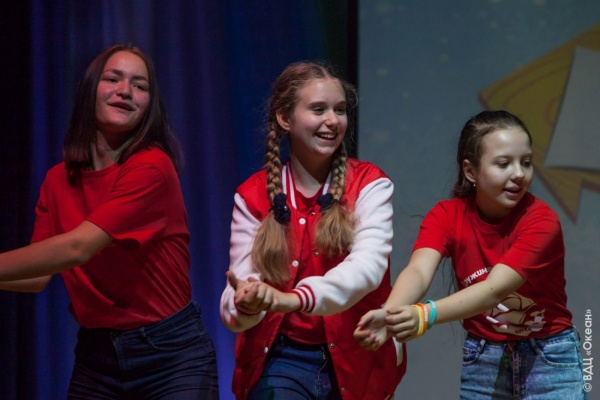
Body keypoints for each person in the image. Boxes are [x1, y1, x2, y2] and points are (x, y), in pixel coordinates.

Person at [0, 44, 219, 399]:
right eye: (113, 79)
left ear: (149, 105)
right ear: (90, 90)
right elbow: (37, 277)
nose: (125, 91)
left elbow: (78, 247)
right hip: (97, 357)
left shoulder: (151, 166)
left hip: (169, 355)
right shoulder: (57, 180)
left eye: (139, 85)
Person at [355, 110, 586, 399]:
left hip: (549, 357)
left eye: (526, 162)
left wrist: (425, 314)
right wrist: (390, 314)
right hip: (483, 358)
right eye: (503, 163)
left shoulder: (542, 220)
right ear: (470, 171)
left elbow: (494, 290)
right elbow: (418, 271)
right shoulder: (446, 215)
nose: (518, 173)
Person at [220, 61, 406, 399]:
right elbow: (240, 291)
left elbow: (368, 268)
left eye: (340, 110)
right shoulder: (252, 194)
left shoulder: (369, 184)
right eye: (318, 109)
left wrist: (295, 299)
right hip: (282, 359)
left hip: (358, 357)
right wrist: (247, 303)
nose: (333, 120)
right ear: (284, 118)